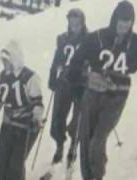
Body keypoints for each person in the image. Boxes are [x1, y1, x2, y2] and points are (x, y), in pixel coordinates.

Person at [67, 1, 137, 179]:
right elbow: (76, 62)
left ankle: (97, 176)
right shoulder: (98, 37)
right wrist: (82, 79)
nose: (124, 26)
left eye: (128, 22)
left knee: (98, 140)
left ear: (132, 23)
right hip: (93, 94)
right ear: (114, 20)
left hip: (116, 97)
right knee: (86, 141)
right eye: (121, 22)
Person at [0, 40, 44, 180]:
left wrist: (36, 119)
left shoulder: (29, 77)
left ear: (15, 59)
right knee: (1, 163)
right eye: (3, 61)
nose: (4, 64)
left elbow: (37, 102)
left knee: (15, 166)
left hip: (25, 128)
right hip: (7, 127)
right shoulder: (3, 78)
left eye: (7, 60)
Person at [48, 8, 88, 164]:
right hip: (64, 81)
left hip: (80, 83)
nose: (74, 25)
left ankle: (73, 145)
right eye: (71, 22)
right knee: (58, 116)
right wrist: (52, 76)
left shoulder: (88, 39)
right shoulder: (63, 38)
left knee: (77, 117)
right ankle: (59, 145)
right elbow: (57, 58)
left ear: (82, 23)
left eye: (77, 22)